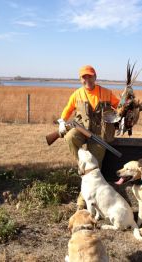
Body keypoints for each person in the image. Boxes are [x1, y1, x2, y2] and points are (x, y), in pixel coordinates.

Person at [58, 65, 120, 210]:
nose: (87, 79)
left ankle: (81, 202)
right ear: (80, 79)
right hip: (81, 130)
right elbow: (67, 111)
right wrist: (62, 122)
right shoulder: (76, 94)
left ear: (95, 77)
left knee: (94, 168)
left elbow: (119, 108)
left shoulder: (106, 92)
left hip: (99, 136)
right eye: (84, 77)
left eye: (90, 76)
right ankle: (83, 165)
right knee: (70, 136)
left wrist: (127, 109)